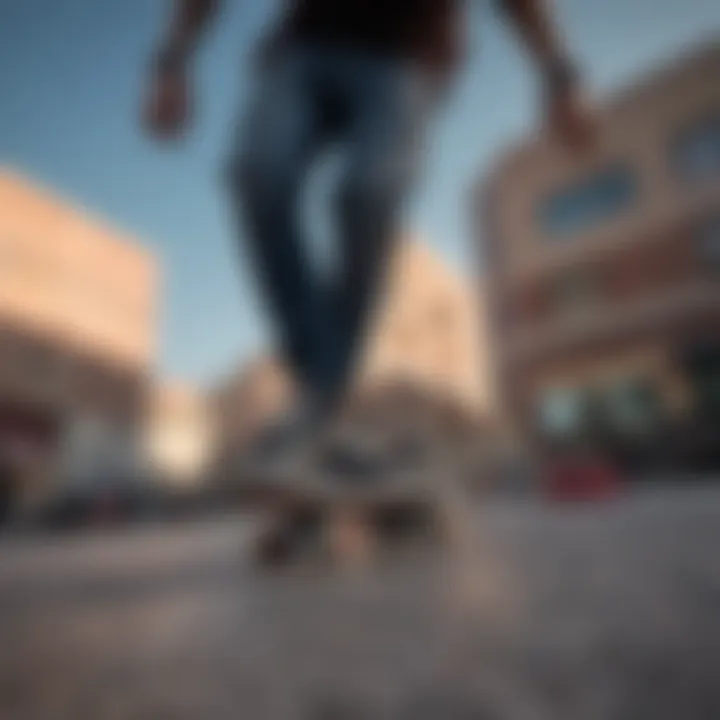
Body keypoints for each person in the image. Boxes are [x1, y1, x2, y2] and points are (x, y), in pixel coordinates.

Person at [142, 0, 594, 469]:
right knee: (261, 172)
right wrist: (172, 60)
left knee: (369, 191)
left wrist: (558, 74)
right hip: (305, 50)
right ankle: (324, 392)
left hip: (406, 62)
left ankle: (322, 399)